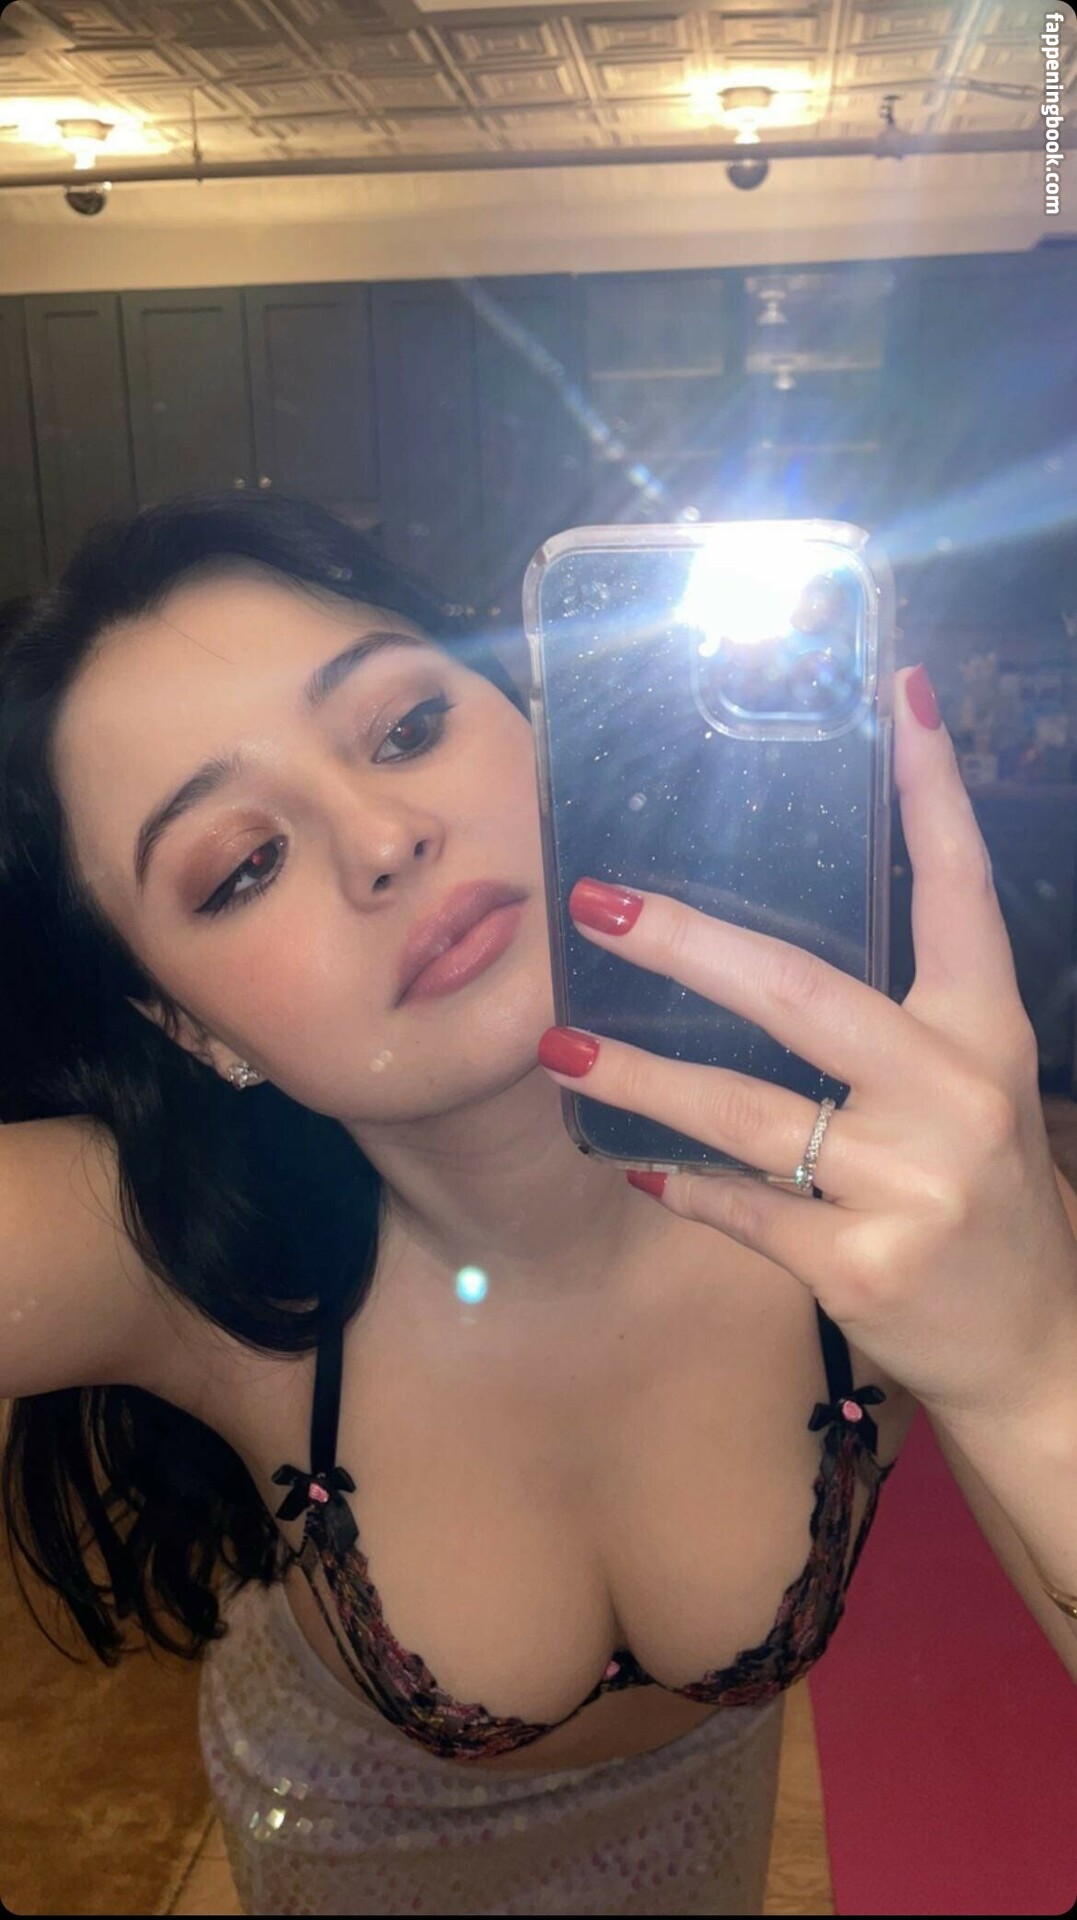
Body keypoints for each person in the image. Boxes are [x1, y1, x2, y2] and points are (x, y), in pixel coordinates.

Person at [1, 493, 1074, 1918]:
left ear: (543, 725)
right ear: (189, 1027)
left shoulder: (883, 1191)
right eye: (242, 866)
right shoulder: (165, 1247)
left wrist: (1033, 1358)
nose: (384, 837)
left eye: (406, 728)